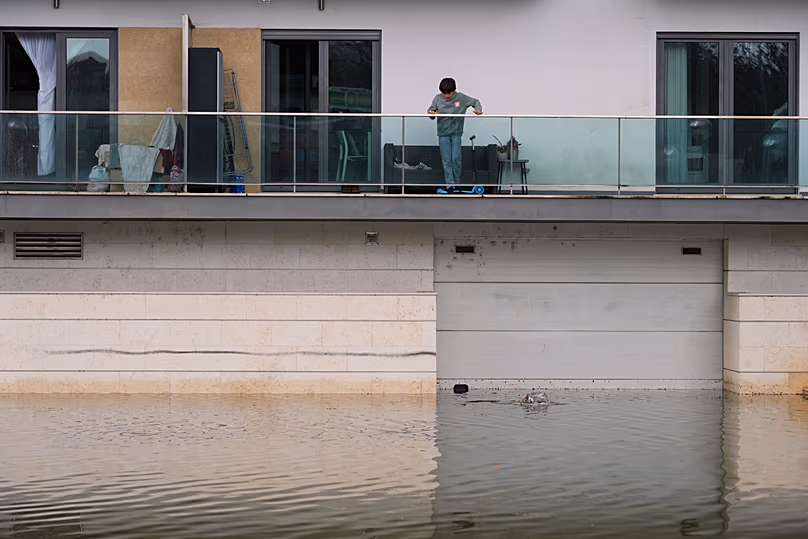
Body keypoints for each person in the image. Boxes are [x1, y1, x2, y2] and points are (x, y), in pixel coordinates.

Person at [427, 78, 482, 192]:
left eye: (449, 93)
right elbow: (431, 112)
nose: (447, 95)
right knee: (446, 160)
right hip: (443, 133)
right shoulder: (437, 98)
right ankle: (450, 185)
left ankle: (456, 184)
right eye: (444, 93)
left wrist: (478, 109)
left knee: (456, 158)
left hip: (456, 133)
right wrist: (432, 113)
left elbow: (475, 101)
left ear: (454, 90)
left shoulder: (461, 97)